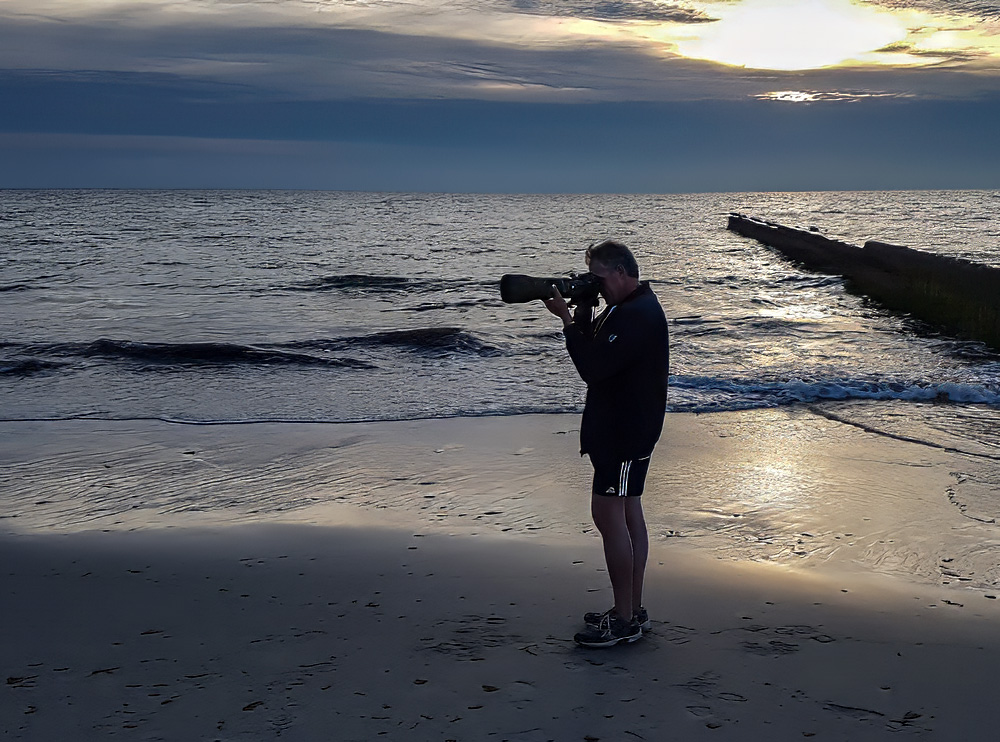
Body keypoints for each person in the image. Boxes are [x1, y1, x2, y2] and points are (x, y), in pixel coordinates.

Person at [541, 239, 669, 648]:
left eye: (597, 278)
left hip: (624, 433)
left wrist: (565, 320)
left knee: (609, 516)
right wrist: (583, 312)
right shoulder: (630, 308)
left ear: (619, 272)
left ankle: (625, 620)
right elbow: (601, 354)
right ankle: (631, 608)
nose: (594, 286)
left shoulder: (634, 315)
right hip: (628, 428)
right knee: (629, 513)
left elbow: (592, 368)